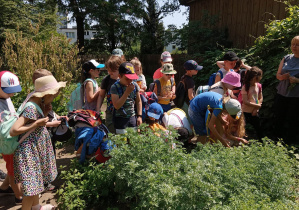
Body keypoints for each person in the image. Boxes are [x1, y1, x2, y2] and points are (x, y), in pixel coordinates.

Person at [10, 75, 66, 210]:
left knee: (34, 185)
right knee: (31, 189)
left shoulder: (35, 104)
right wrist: (36, 122)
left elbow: (35, 126)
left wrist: (44, 115)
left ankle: (36, 207)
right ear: (45, 94)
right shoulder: (31, 107)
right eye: (53, 95)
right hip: (27, 152)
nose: (54, 97)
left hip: (33, 150)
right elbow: (14, 130)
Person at [0, 71, 23, 205]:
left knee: (12, 167)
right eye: (9, 91)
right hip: (7, 142)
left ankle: (3, 188)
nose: (12, 94)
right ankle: (18, 197)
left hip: (13, 139)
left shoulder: (6, 97)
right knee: (14, 171)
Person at [274, 35, 299, 144]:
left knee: (292, 119)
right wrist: (282, 77)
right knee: (279, 116)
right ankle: (276, 140)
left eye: (297, 45)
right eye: (293, 44)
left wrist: (297, 81)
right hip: (282, 92)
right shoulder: (287, 58)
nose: (294, 46)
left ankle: (290, 143)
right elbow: (278, 75)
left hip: (296, 95)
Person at [110, 62, 142, 134]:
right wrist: (127, 92)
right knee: (122, 142)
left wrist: (139, 116)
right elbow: (117, 106)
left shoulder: (135, 85)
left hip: (132, 117)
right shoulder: (114, 87)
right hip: (120, 119)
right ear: (120, 76)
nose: (130, 81)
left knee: (133, 141)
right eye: (127, 79)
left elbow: (138, 101)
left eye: (132, 78)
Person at [97, 55, 122, 133]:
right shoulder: (106, 80)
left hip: (123, 112)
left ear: (120, 69)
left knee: (122, 132)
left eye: (113, 71)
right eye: (109, 70)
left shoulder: (124, 80)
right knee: (110, 130)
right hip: (110, 110)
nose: (110, 72)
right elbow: (101, 95)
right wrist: (98, 109)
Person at [240, 67, 263, 140]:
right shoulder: (245, 87)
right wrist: (257, 105)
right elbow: (245, 101)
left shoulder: (258, 85)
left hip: (255, 111)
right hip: (245, 111)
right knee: (242, 126)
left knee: (258, 127)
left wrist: (256, 108)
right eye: (256, 79)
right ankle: (242, 140)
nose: (258, 80)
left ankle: (261, 141)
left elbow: (260, 97)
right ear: (252, 77)